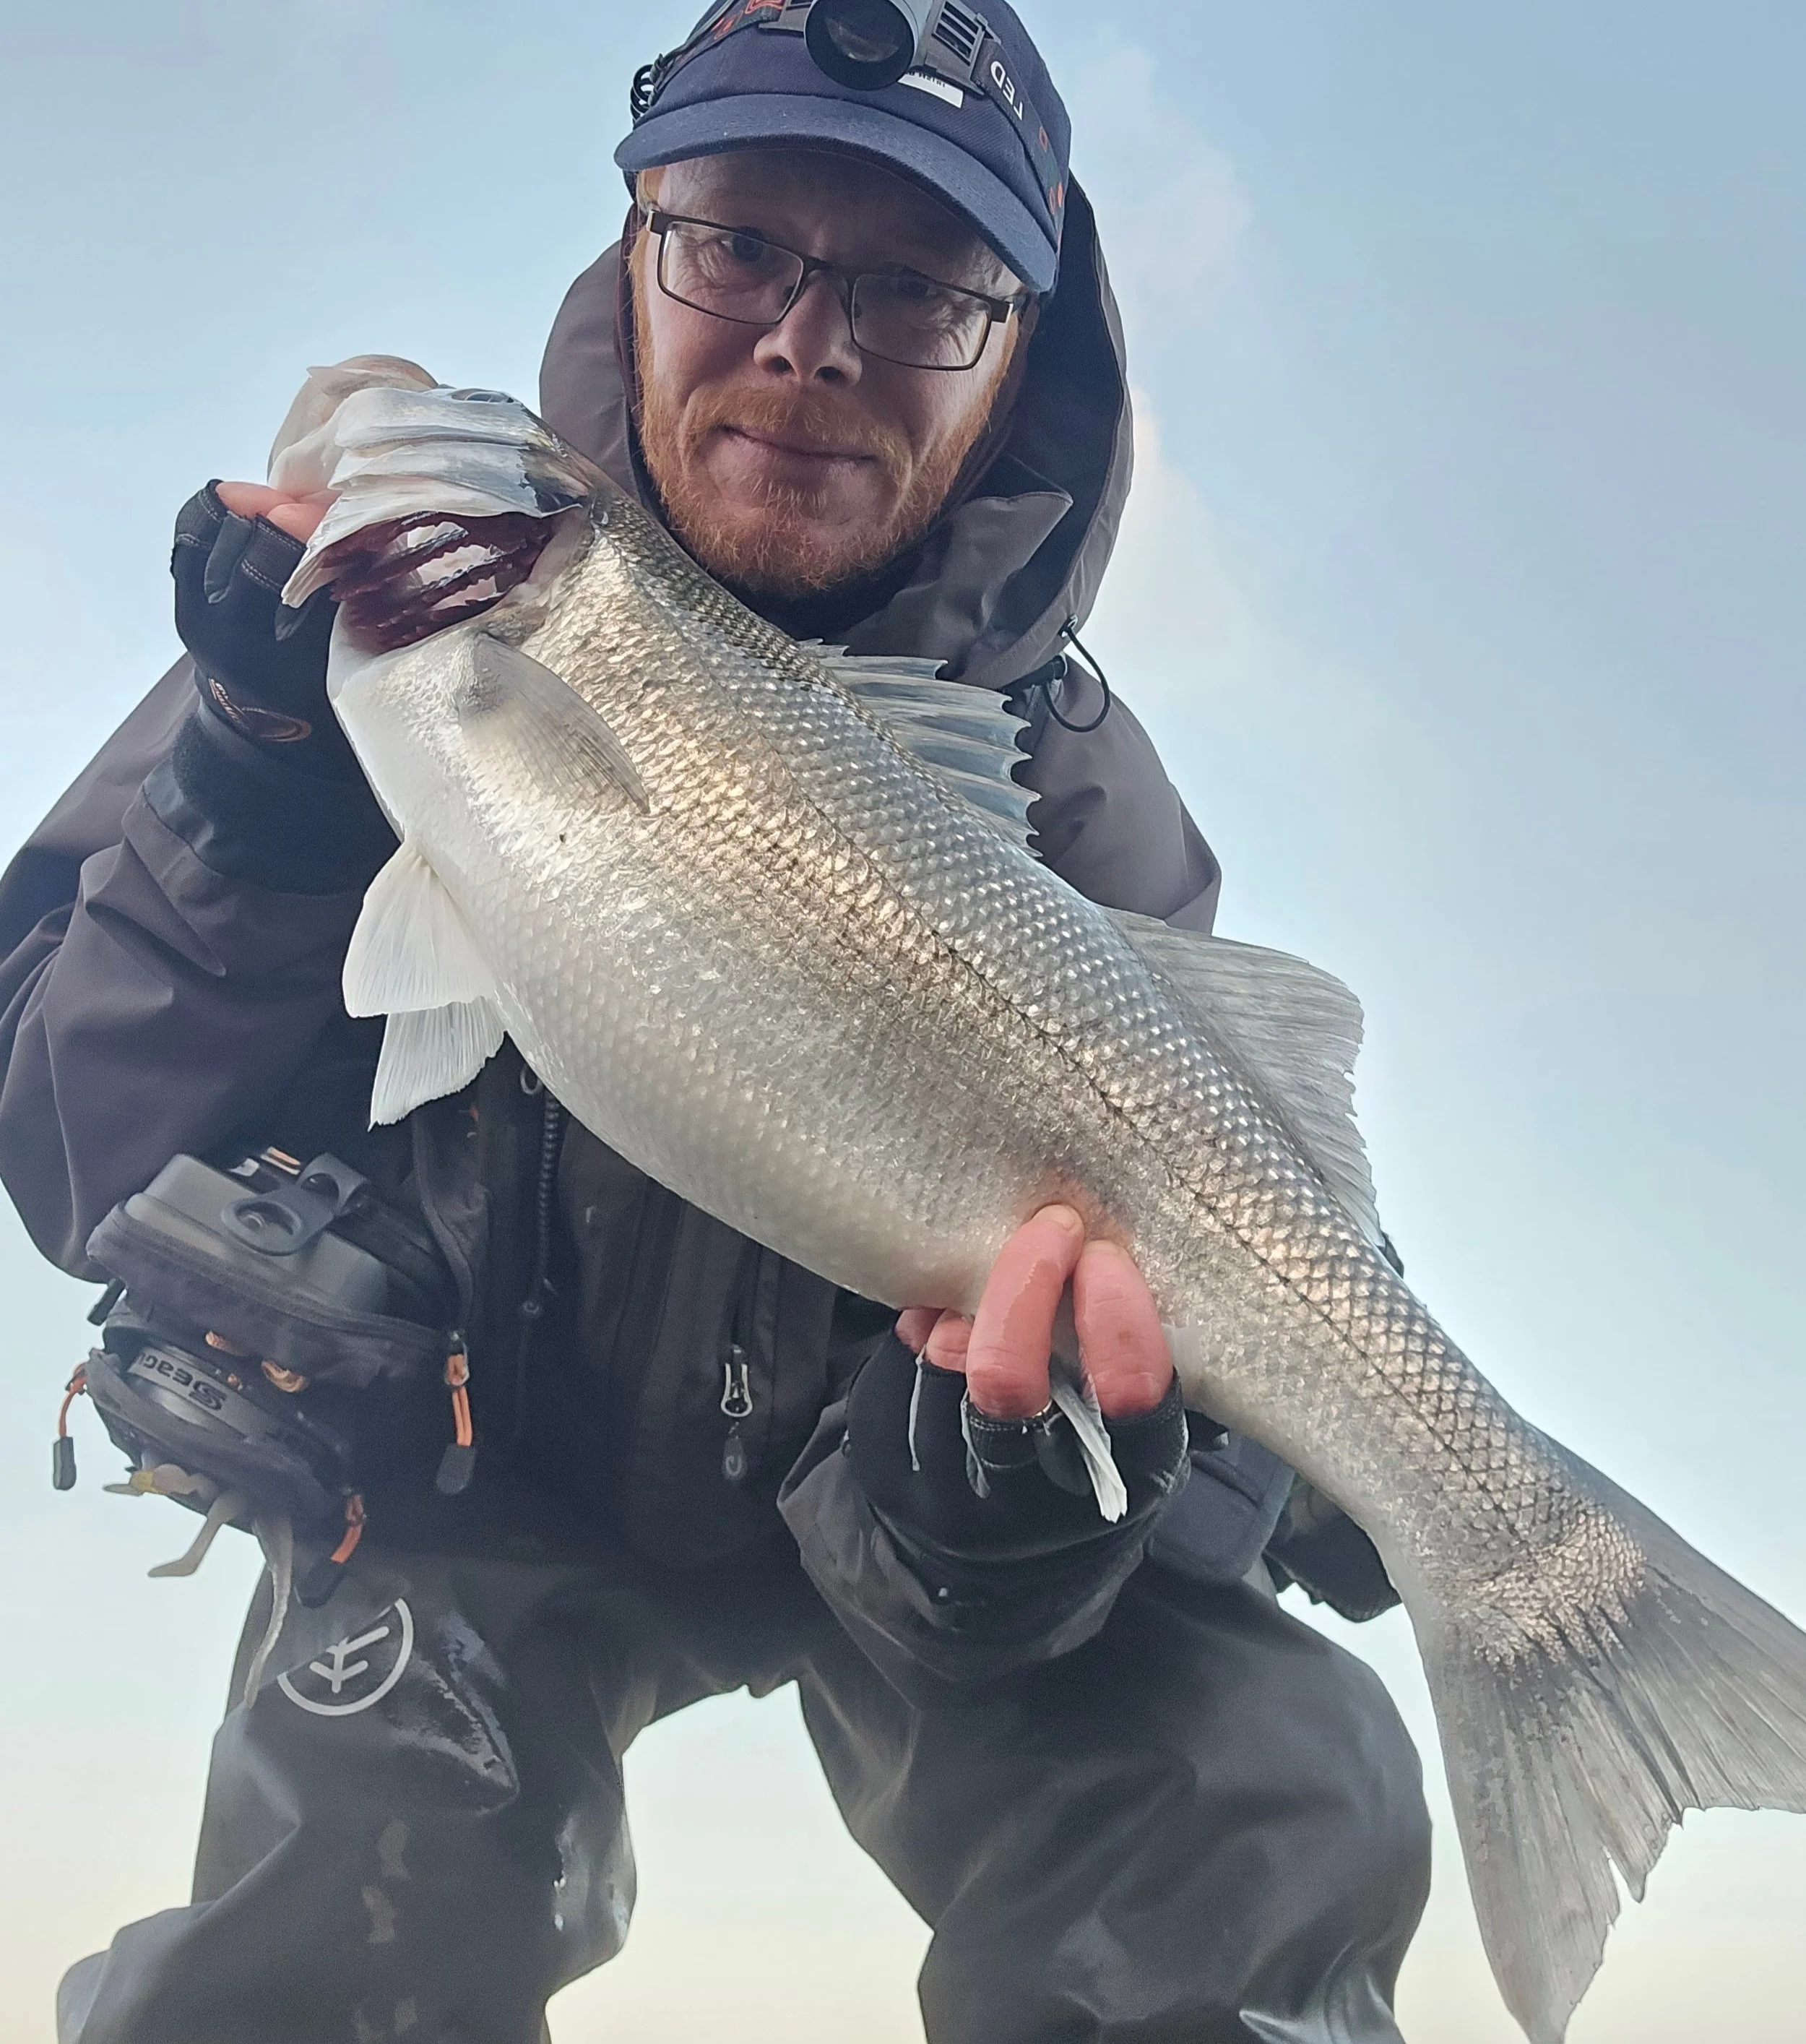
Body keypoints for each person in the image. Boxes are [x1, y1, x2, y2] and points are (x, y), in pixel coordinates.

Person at [0, 4, 1430, 2038]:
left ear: (1012, 353)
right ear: (637, 251)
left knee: (1243, 1798)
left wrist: (1013, 1497)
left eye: (920, 292)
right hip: (474, 1465)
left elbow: (1236, 1272)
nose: (808, 342)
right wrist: (253, 788)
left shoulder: (1083, 813)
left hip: (899, 1497)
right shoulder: (384, 637)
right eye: (740, 243)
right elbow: (73, 1149)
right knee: (336, 1915)